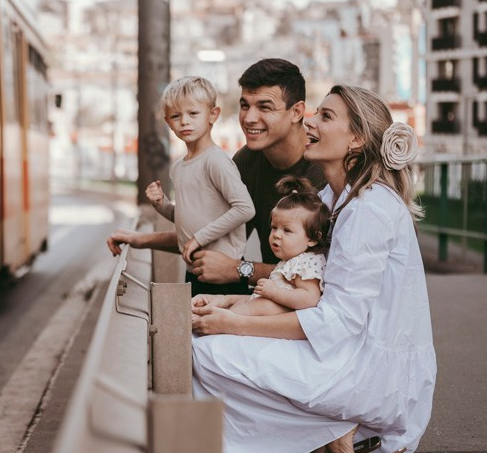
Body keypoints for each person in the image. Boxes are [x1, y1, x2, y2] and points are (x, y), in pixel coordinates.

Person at [190, 84, 436, 453]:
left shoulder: (369, 210)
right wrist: (232, 306)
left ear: (356, 139)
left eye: (326, 116)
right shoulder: (334, 197)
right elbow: (309, 282)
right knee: (206, 342)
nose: (310, 122)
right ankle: (313, 437)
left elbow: (337, 322)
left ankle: (335, 431)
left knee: (209, 353)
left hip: (371, 371)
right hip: (350, 349)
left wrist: (232, 323)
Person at [107, 59, 326, 294]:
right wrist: (141, 240)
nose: (249, 118)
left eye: (264, 107)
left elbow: (326, 273)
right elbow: (208, 230)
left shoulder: (323, 170)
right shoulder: (247, 160)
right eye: (245, 105)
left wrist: (239, 269)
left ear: (296, 112)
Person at [107, 77, 254, 295]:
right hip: (194, 269)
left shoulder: (215, 161)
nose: (184, 121)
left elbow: (245, 209)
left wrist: (199, 238)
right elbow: (189, 217)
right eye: (176, 116)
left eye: (193, 114)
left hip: (223, 273)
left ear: (213, 115)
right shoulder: (178, 167)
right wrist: (162, 205)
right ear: (168, 122)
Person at [226, 176, 329, 317]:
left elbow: (310, 298)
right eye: (274, 227)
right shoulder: (292, 261)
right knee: (242, 302)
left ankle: (224, 319)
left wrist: (275, 292)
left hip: (277, 317)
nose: (276, 234)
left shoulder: (307, 262)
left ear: (312, 238)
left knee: (258, 306)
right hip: (264, 311)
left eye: (287, 230)